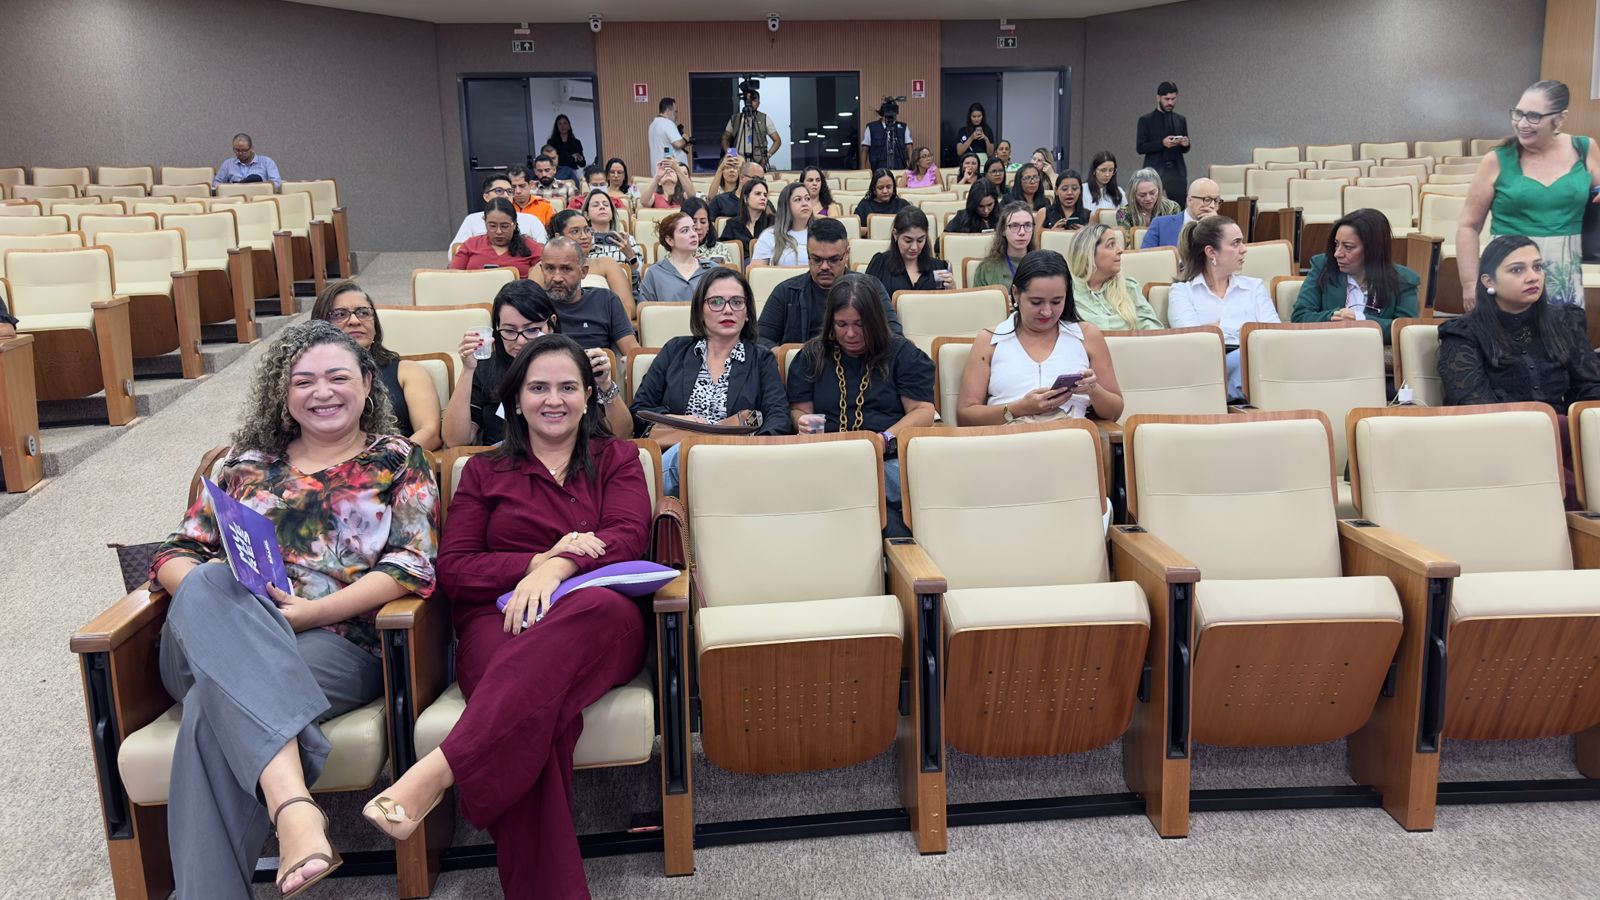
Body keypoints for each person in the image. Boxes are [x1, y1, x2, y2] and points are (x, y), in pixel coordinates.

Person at [151, 320, 436, 899]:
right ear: (282, 394)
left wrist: (309, 613)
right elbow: (175, 553)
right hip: (215, 634)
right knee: (204, 580)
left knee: (212, 707)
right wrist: (241, 608)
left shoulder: (398, 460)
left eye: (338, 377)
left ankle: (238, 864)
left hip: (335, 640)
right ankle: (295, 807)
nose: (322, 392)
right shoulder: (241, 463)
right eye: (303, 381)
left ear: (367, 385)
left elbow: (412, 564)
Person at [367, 333, 650, 900]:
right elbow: (457, 568)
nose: (554, 400)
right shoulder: (483, 472)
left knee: (589, 606)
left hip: (597, 620)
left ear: (588, 395)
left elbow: (627, 536)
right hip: (500, 624)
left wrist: (557, 571)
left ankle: (440, 770)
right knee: (536, 721)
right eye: (538, 387)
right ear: (515, 398)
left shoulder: (618, 459)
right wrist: (534, 562)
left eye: (568, 387)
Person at [787, 277, 934, 538]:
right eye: (841, 325)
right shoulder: (813, 355)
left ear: (875, 321)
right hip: (825, 458)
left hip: (886, 459)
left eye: (860, 324)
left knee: (876, 488)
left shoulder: (901, 354)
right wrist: (801, 421)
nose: (851, 334)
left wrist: (884, 440)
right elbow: (800, 410)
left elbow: (923, 412)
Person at [631, 269, 791, 495]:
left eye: (737, 302)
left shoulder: (761, 358)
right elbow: (639, 411)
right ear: (700, 310)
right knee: (684, 453)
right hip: (678, 455)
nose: (727, 310)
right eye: (716, 302)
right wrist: (678, 420)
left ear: (747, 313)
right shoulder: (675, 350)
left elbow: (779, 418)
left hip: (736, 462)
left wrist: (749, 452)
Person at [1458, 80, 1600, 308]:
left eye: (1534, 116)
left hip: (1563, 278)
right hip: (1507, 278)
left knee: (1562, 341)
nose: (1522, 123)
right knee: (1507, 341)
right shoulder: (1497, 159)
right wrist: (1469, 284)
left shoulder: (1584, 149)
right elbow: (1468, 226)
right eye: (1518, 114)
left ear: (1560, 118)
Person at [442, 281, 631, 447]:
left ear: (551, 324)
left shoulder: (575, 364)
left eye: (532, 330)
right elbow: (455, 440)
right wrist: (467, 370)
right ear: (497, 329)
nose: (521, 341)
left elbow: (621, 434)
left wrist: (605, 385)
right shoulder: (485, 368)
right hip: (503, 467)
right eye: (509, 331)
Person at [958, 249, 1125, 426]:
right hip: (1008, 442)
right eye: (1036, 302)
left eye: (1056, 302)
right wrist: (1019, 409)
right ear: (1016, 294)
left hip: (1070, 440)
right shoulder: (990, 341)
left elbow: (1114, 412)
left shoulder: (1087, 336)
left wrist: (1093, 390)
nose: (1047, 312)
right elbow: (966, 415)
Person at [1439, 234, 1600, 408]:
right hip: (1501, 431)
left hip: (1565, 430)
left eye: (1537, 267)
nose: (1533, 277)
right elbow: (1474, 406)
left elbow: (1591, 388)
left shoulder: (1565, 321)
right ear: (1488, 281)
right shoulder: (1463, 333)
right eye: (1517, 270)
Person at [312, 280, 442, 450]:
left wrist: (383, 461)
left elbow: (430, 433)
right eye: (340, 314)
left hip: (394, 467)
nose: (354, 321)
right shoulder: (305, 377)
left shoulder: (407, 371)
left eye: (363, 312)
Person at [1167, 216, 1280, 400]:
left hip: (1257, 362)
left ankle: (1239, 398)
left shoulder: (1254, 287)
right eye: (1236, 243)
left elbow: (1276, 335)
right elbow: (1192, 341)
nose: (1244, 249)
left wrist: (1218, 329)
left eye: (1242, 242)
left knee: (1260, 356)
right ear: (1211, 252)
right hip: (1207, 366)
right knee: (1249, 357)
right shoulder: (1182, 291)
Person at [759, 218, 904, 344]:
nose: (824, 267)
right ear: (808, 254)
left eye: (833, 259)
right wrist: (782, 354)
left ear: (847, 254)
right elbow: (759, 340)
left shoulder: (871, 288)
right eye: (816, 259)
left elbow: (895, 336)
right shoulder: (786, 292)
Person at [1292, 208, 1420, 343]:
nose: (1337, 254)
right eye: (1337, 244)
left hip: (1374, 357)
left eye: (1348, 247)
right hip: (1326, 350)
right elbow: (1300, 316)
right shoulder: (1323, 266)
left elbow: (1404, 330)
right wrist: (1334, 317)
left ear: (1373, 250)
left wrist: (1360, 320)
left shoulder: (1404, 280)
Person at [539, 236, 641, 356]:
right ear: (542, 269)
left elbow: (632, 351)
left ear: (583, 272)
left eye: (566, 269)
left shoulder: (606, 300)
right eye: (550, 268)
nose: (557, 278)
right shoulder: (534, 302)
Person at [540, 209, 637, 318]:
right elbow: (531, 307)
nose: (584, 236)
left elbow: (629, 309)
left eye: (587, 230)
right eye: (575, 231)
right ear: (558, 237)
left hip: (599, 323)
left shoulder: (607, 264)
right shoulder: (544, 267)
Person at [1067, 224, 1161, 331]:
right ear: (1089, 253)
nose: (1120, 250)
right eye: (1111, 245)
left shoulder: (1129, 288)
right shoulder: (1067, 293)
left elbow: (1153, 330)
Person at [865, 207, 954, 296]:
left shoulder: (939, 267)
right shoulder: (880, 264)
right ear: (895, 235)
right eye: (908, 241)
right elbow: (866, 301)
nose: (914, 247)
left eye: (920, 240)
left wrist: (953, 290)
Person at [639, 212, 718, 303]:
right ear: (670, 240)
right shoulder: (654, 273)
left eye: (694, 229)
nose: (693, 234)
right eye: (685, 231)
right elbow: (646, 312)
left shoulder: (712, 269)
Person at [452, 174, 549, 249]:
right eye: (499, 191)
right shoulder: (472, 220)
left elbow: (544, 249)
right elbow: (455, 250)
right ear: (486, 196)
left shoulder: (530, 220)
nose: (506, 196)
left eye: (509, 191)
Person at [451, 198, 540, 276]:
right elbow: (453, 278)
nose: (498, 231)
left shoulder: (530, 247)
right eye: (492, 226)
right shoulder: (471, 245)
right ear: (485, 223)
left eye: (504, 226)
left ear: (514, 225)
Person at [1136, 82, 1191, 204]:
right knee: (1152, 206)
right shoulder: (1146, 120)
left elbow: (1185, 149)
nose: (1170, 103)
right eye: (1166, 99)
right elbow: (1140, 147)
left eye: (1173, 99)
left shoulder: (1180, 119)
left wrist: (1185, 144)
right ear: (1158, 98)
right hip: (1155, 171)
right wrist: (1162, 143)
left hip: (1177, 171)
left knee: (1180, 207)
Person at [583, 188, 643, 289]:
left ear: (611, 214)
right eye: (596, 205)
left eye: (606, 205)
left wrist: (631, 256)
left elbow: (641, 276)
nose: (602, 207)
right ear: (586, 215)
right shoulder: (582, 240)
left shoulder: (626, 239)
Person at [973, 201, 1039, 291]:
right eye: (1014, 226)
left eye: (1027, 225)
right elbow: (980, 303)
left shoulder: (1042, 265)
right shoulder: (986, 269)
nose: (1022, 232)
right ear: (1003, 230)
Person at [1141, 177, 1222, 249]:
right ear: (1189, 201)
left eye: (1216, 201)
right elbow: (1145, 259)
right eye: (1207, 200)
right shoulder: (1160, 225)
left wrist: (1215, 227)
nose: (1212, 206)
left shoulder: (1222, 229)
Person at [751, 182, 813, 267]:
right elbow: (757, 274)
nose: (805, 203)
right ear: (786, 205)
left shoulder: (821, 233)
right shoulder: (769, 236)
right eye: (798, 199)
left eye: (808, 199)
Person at [722, 88, 782, 168]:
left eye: (753, 100)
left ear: (758, 103)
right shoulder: (736, 118)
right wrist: (731, 155)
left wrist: (766, 157)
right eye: (747, 99)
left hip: (758, 163)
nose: (750, 102)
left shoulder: (764, 118)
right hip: (738, 163)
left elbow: (777, 141)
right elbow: (725, 138)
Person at [1117, 167, 1181, 239]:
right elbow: (1127, 242)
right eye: (1142, 195)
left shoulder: (1172, 208)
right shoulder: (1123, 213)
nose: (1148, 198)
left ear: (1159, 190)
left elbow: (1176, 238)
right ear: (1133, 195)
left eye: (1152, 193)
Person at [719, 177, 773, 258]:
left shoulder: (773, 222)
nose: (763, 198)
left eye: (765, 195)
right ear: (745, 198)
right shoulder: (732, 224)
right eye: (758, 194)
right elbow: (723, 250)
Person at [213, 132, 281, 188]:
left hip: (258, 198)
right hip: (235, 199)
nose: (240, 153)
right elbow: (216, 183)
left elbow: (276, 183)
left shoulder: (267, 162)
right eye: (237, 150)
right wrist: (229, 187)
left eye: (244, 150)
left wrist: (262, 185)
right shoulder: (227, 164)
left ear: (252, 148)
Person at [862, 99, 912, 172]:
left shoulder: (903, 127)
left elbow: (909, 148)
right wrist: (864, 171)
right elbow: (865, 149)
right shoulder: (871, 127)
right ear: (882, 113)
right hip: (878, 168)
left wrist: (911, 168)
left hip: (899, 167)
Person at [681, 196, 731, 266]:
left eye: (703, 222)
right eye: (693, 221)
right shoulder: (676, 250)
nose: (698, 227)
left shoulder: (720, 249)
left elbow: (731, 274)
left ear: (708, 226)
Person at [649, 97, 690, 165]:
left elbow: (666, 147)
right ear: (668, 111)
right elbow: (678, 144)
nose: (677, 115)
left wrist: (685, 143)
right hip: (669, 172)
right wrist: (685, 139)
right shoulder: (667, 123)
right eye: (675, 111)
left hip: (660, 170)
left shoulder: (653, 125)